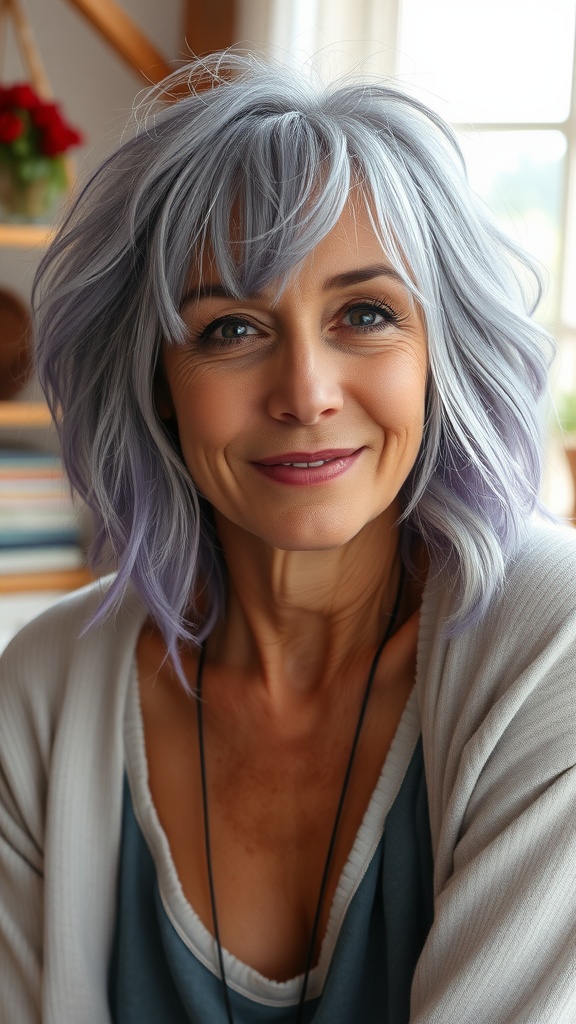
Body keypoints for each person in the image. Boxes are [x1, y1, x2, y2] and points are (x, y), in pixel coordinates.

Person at [0, 52, 575, 1024]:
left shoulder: (550, 643)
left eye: (365, 314)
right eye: (229, 328)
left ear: (443, 357)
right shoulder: (42, 694)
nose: (306, 392)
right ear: (156, 384)